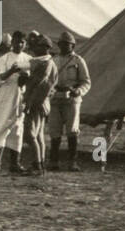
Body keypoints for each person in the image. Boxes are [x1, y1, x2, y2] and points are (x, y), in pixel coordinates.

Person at [0, 31, 32, 174]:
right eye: (16, 42)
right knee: (0, 126)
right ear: (12, 43)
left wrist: (25, 79)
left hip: (20, 95)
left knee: (17, 129)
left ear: (25, 43)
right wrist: (11, 71)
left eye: (22, 42)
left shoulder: (29, 59)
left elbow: (34, 78)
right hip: (6, 94)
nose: (19, 45)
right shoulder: (4, 58)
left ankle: (14, 163)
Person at [48, 31, 91, 171]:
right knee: (54, 130)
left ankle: (72, 162)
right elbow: (48, 80)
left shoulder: (78, 61)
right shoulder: (53, 60)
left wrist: (77, 91)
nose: (64, 46)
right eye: (62, 44)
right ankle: (53, 161)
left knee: (72, 130)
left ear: (73, 45)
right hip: (55, 99)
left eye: (68, 44)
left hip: (72, 100)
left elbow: (86, 82)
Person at [22, 35, 58, 174]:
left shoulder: (45, 64)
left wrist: (29, 104)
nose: (33, 49)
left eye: (36, 46)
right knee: (38, 136)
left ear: (45, 48)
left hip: (37, 102)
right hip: (42, 103)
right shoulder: (49, 63)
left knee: (30, 134)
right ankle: (40, 164)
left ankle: (36, 165)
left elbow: (39, 85)